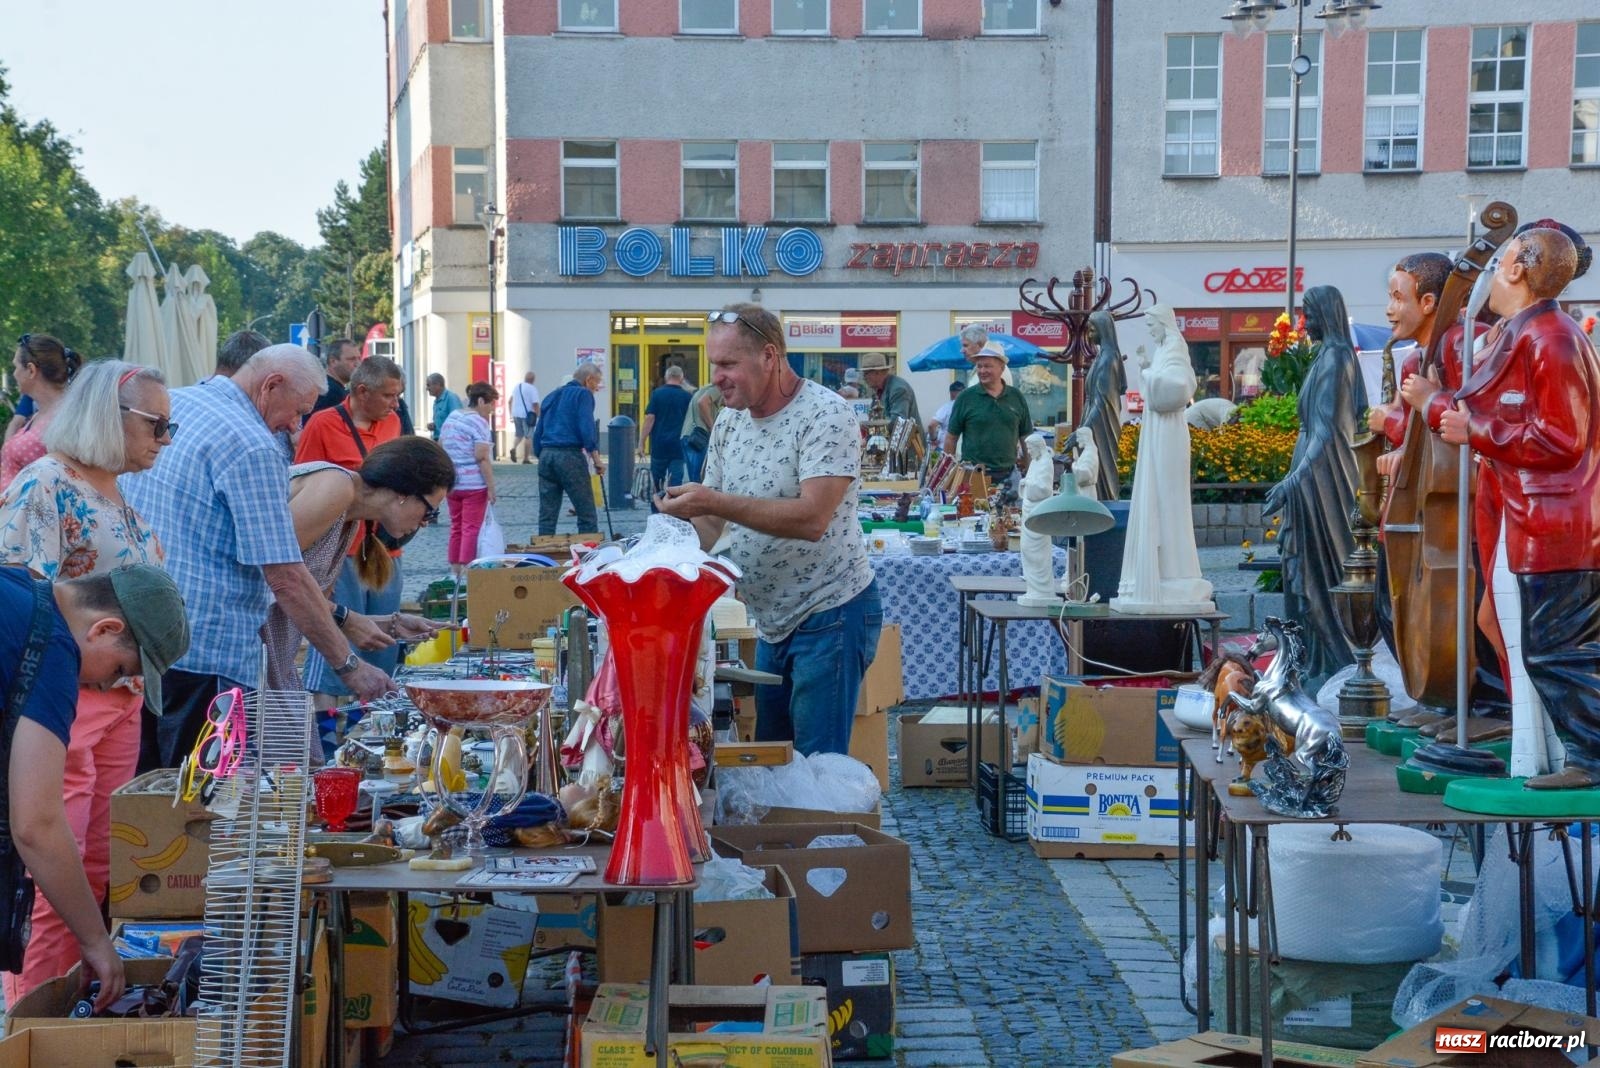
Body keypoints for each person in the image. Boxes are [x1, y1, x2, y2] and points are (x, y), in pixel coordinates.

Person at [122, 344, 391, 772]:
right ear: (271, 385)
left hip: (146, 640)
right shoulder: (252, 444)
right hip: (208, 649)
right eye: (298, 410)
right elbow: (285, 575)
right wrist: (348, 665)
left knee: (151, 798)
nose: (296, 425)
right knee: (201, 804)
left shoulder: (181, 402)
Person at [0, 362, 171, 1001]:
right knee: (48, 872)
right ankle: (32, 1021)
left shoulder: (114, 489)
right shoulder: (47, 484)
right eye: (158, 424)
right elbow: (29, 612)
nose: (165, 437)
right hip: (66, 703)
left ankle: (72, 1001)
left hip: (117, 701)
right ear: (109, 414)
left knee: (97, 863)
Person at [658, 303, 880, 756]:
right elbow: (716, 524)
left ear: (769, 356)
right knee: (772, 763)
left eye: (727, 364)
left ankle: (824, 830)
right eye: (712, 364)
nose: (716, 377)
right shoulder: (729, 419)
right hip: (769, 621)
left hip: (830, 611)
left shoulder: (825, 413)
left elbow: (813, 518)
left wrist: (712, 501)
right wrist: (677, 525)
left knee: (817, 771)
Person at [1433, 226, 1600, 788]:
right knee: (1546, 645)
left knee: (1557, 650)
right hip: (1542, 518)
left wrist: (1473, 427)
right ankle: (1575, 754)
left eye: (1498, 260)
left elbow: (1560, 437)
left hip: (1558, 522)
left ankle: (1593, 757)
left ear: (1515, 270)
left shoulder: (1550, 338)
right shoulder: (1534, 334)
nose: (1487, 276)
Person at [0, 564, 187, 1011]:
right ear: (104, 628)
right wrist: (96, 941)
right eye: (121, 669)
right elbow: (37, 823)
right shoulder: (53, 646)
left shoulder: (20, 585)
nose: (106, 684)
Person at [266, 438, 450, 691]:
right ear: (404, 494)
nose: (425, 523)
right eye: (430, 511)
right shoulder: (337, 487)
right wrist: (349, 662)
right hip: (229, 646)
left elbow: (313, 605)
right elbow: (271, 575)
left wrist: (387, 623)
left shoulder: (351, 519)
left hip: (264, 657)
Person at [1263, 286, 1366, 685]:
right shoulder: (1327, 355)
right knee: (1305, 570)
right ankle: (1311, 658)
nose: (1305, 322)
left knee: (1320, 569)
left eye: (1309, 313)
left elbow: (1326, 433)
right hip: (1312, 470)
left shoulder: (1337, 359)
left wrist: (1293, 481)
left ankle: (1330, 660)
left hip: (1324, 477)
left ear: (1327, 312)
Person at [294, 356, 407, 697]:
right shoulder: (322, 425)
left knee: (383, 638)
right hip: (340, 551)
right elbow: (302, 485)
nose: (395, 403)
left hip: (385, 548)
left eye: (398, 395)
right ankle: (330, 725)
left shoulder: (393, 424)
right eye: (389, 395)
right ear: (362, 391)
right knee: (339, 633)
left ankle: (376, 716)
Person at [1112, 303, 1213, 612]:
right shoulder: (1164, 351)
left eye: (1152, 325)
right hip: (1159, 432)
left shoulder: (1174, 350)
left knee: (1169, 503)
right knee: (1162, 501)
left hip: (1168, 434)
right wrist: (1147, 369)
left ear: (1163, 324)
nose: (1151, 331)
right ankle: (1163, 572)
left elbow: (1181, 387)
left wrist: (1149, 374)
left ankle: (1174, 573)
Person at [942, 341, 1033, 482]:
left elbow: (1026, 438)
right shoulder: (966, 398)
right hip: (973, 476)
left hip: (1009, 476)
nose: (982, 371)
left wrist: (1031, 472)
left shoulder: (1016, 397)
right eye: (979, 366)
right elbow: (951, 438)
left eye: (988, 366)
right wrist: (948, 475)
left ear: (1002, 368)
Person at [532, 363, 603, 535]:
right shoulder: (583, 394)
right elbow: (587, 428)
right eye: (597, 383)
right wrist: (596, 459)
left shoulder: (552, 395)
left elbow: (538, 432)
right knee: (586, 511)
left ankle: (544, 553)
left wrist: (542, 455)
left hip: (547, 455)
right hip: (569, 455)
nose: (597, 388)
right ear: (588, 380)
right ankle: (589, 554)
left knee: (547, 514)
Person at [3, 334, 81, 489]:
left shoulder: (64, 420)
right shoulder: (44, 413)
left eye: (16, 367)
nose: (14, 374)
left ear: (31, 370)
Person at [439, 382, 498, 582]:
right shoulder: (479, 423)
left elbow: (440, 446)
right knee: (471, 528)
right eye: (490, 405)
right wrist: (491, 487)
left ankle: (454, 569)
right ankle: (466, 570)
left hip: (453, 484)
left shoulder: (452, 417)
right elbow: (482, 457)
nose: (491, 410)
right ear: (481, 401)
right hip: (473, 484)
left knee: (456, 526)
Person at [1080, 310, 1129, 501]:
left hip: (1102, 425)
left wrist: (1084, 428)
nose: (1089, 335)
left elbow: (1101, 402)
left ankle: (1104, 507)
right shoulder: (1102, 356)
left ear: (1103, 329)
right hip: (1095, 421)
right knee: (1096, 470)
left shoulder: (1108, 359)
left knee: (1102, 467)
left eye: (1092, 330)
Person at [640, 365, 691, 495]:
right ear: (681, 378)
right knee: (676, 482)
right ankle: (673, 510)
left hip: (659, 444)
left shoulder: (657, 394)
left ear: (666, 377)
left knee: (657, 480)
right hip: (678, 445)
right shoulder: (687, 396)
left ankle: (657, 510)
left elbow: (650, 418)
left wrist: (642, 442)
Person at [859, 352, 920, 426]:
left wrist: (870, 425)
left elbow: (897, 423)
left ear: (877, 372)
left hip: (909, 437)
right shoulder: (880, 390)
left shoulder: (898, 389)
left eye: (866, 373)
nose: (864, 377)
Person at [681, 380, 722, 483]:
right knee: (698, 479)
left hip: (687, 436)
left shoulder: (704, 389)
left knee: (694, 478)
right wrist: (713, 428)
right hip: (698, 438)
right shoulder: (718, 389)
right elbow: (702, 402)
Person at [310, 339, 362, 416]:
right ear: (333, 361)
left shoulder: (323, 385)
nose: (358, 364)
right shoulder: (331, 392)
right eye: (352, 359)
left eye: (359, 358)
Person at [509, 372, 541, 464]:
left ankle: (513, 448)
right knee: (528, 436)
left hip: (516, 414)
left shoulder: (517, 387)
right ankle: (526, 458)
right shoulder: (532, 389)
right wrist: (538, 415)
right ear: (533, 380)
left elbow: (510, 401)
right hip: (527, 415)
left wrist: (510, 414)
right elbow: (535, 404)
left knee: (519, 435)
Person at [425, 373, 463, 441]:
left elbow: (458, 421)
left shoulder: (451, 398)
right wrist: (434, 426)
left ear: (437, 385)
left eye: (428, 385)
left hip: (450, 442)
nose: (427, 388)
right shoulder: (436, 401)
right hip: (439, 441)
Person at [928, 380, 965, 445]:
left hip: (946, 447)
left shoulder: (947, 407)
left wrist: (933, 439)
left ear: (952, 392)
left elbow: (931, 425)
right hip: (965, 448)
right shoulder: (969, 407)